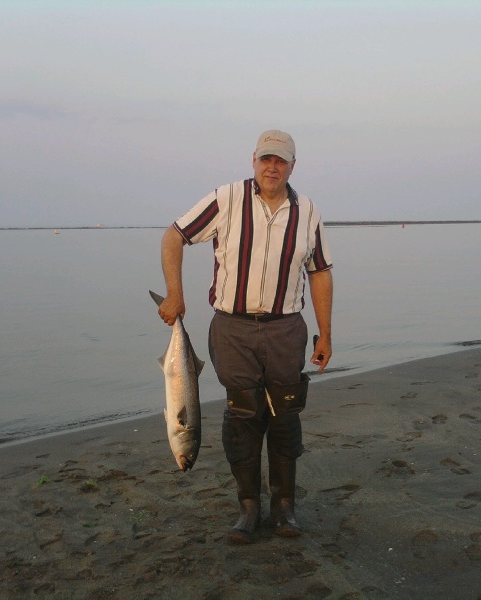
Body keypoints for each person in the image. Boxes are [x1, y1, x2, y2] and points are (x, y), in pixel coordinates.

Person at [157, 129, 333, 544]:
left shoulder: (307, 211)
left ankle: (285, 507)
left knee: (285, 415)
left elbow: (320, 271)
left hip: (287, 328)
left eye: (281, 160)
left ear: (293, 165)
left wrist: (326, 332)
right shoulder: (227, 198)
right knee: (243, 416)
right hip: (232, 328)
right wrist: (175, 293)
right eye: (266, 159)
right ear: (254, 159)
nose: (273, 167)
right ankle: (249, 508)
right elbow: (174, 236)